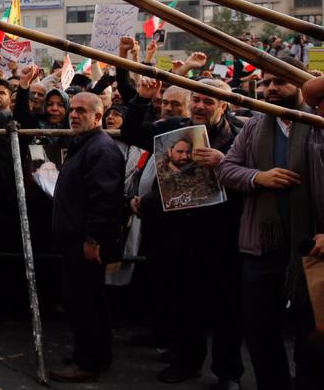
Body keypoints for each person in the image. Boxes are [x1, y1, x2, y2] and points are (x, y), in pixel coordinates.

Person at [123, 77, 244, 388]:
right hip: (178, 234)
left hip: (221, 236)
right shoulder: (172, 128)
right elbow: (131, 133)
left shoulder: (240, 136)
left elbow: (252, 177)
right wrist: (141, 99)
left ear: (224, 105)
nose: (201, 106)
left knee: (225, 310)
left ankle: (227, 372)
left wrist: (224, 163)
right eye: (198, 100)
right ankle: (186, 362)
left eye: (209, 101)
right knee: (184, 303)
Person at [217, 58, 324, 390]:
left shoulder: (319, 123)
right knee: (260, 330)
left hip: (312, 249)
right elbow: (226, 169)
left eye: (280, 82)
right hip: (261, 246)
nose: (270, 89)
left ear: (300, 86)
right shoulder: (254, 125)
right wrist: (257, 177)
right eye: (265, 83)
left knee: (313, 334)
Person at [48, 92, 124, 383]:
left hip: (85, 243)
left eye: (82, 110)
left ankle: (89, 362)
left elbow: (102, 200)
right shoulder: (85, 144)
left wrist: (93, 239)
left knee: (86, 303)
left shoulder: (101, 149)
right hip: (75, 239)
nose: (74, 115)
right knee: (86, 300)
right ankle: (92, 352)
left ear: (98, 116)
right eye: (73, 110)